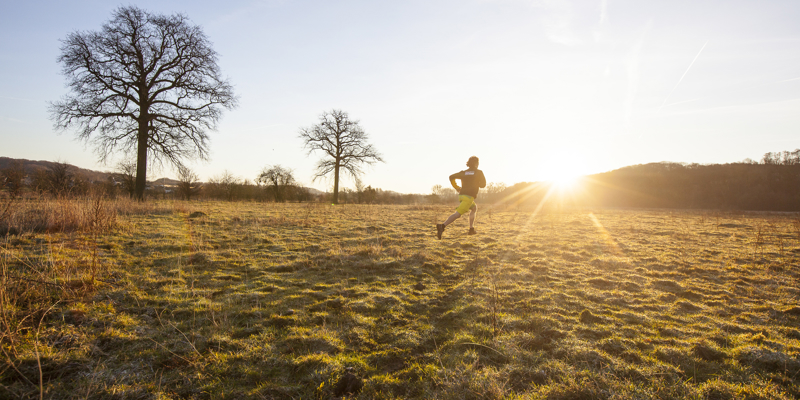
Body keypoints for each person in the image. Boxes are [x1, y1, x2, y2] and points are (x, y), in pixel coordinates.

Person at [436, 156, 486, 239]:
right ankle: (442, 226)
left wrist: (456, 187)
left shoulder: (464, 172)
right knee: (457, 214)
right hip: (469, 197)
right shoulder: (479, 172)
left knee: (474, 208)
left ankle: (471, 229)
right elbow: (483, 185)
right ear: (477, 163)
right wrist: (477, 183)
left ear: (468, 163)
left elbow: (451, 177)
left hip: (462, 195)